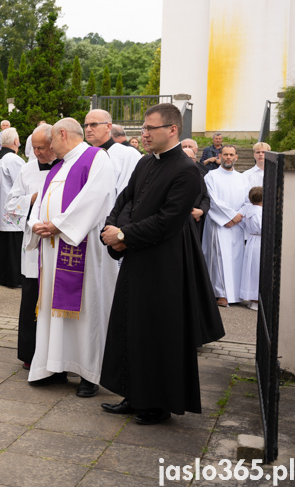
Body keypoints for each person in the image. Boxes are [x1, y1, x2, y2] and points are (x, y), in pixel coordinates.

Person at [100, 103, 224, 425]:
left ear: (171, 130)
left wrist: (123, 234)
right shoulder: (144, 163)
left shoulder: (187, 171)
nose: (143, 134)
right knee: (130, 327)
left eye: (149, 129)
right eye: (143, 128)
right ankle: (132, 394)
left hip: (164, 266)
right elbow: (125, 200)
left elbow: (168, 222)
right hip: (136, 259)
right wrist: (112, 229)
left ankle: (156, 403)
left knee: (155, 333)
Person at [25, 118, 117, 398]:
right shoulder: (59, 167)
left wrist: (60, 225)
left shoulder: (96, 158)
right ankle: (54, 365)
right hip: (52, 250)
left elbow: (95, 199)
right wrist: (37, 225)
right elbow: (41, 202)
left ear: (63, 134)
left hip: (83, 249)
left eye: (52, 140)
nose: (50, 146)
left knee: (87, 308)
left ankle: (89, 373)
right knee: (54, 309)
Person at [5, 123, 59, 370]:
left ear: (55, 144)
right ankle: (30, 352)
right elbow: (11, 205)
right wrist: (32, 200)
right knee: (32, 299)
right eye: (33, 148)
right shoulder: (27, 170)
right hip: (34, 247)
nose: (37, 153)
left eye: (42, 148)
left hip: (61, 244)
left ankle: (58, 354)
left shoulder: (67, 167)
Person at [203, 145, 250, 307]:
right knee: (220, 259)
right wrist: (229, 217)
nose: (228, 157)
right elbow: (212, 199)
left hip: (237, 224)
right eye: (225, 154)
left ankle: (236, 293)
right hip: (219, 224)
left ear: (237, 157)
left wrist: (237, 217)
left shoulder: (243, 178)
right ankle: (221, 294)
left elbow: (248, 200)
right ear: (219, 156)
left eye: (231, 154)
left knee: (236, 259)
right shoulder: (211, 176)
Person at [0, 128, 26, 288]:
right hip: (11, 209)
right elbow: (22, 182)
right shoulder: (13, 159)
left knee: (2, 244)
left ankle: (1, 275)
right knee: (12, 245)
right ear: (16, 142)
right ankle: (12, 278)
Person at [83, 109, 141, 197]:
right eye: (85, 125)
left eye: (93, 124)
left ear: (108, 127)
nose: (88, 129)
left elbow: (127, 193)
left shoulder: (128, 155)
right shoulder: (84, 155)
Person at [240, 186, 262, 311]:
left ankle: (251, 296)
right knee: (256, 270)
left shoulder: (248, 210)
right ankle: (255, 298)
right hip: (258, 240)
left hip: (251, 240)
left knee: (251, 269)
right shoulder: (259, 212)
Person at [183, 148, 212, 239]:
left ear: (195, 160)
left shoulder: (199, 176)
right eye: (184, 158)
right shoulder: (170, 175)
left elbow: (205, 197)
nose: (188, 161)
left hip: (196, 223)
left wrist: (201, 211)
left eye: (191, 159)